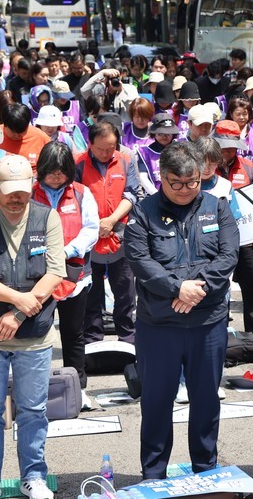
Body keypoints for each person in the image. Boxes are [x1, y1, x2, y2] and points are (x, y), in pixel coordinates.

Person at [125, 142, 238, 478]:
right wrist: (177, 289)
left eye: (193, 183)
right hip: (159, 325)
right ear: (162, 178)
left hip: (208, 323)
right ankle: (154, 474)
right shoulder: (142, 212)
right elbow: (140, 261)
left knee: (206, 401)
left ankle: (205, 470)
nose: (187, 190)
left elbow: (227, 256)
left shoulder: (216, 206)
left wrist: (195, 289)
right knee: (157, 403)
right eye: (178, 184)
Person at [0, 154, 65, 499]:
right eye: (9, 193)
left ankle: (33, 476)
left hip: (34, 335)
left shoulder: (47, 217)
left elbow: (54, 272)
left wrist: (20, 312)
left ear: (32, 186)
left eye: (22, 191)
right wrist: (16, 299)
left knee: (33, 410)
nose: (17, 199)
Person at [32, 141, 99, 411]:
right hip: (37, 276)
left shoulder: (82, 193)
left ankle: (77, 388)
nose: (56, 176)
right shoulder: (28, 193)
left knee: (74, 333)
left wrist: (67, 250)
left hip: (74, 274)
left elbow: (91, 229)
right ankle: (35, 389)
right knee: (38, 334)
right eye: (51, 171)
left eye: (61, 171)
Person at [77, 121, 141, 345]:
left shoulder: (126, 159)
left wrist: (112, 220)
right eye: (101, 148)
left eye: (111, 148)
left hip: (121, 232)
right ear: (90, 144)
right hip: (88, 235)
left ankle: (128, 338)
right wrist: (96, 225)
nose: (106, 153)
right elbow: (74, 197)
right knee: (90, 291)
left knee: (124, 289)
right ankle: (93, 338)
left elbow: (133, 194)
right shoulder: (78, 163)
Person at [215, 121, 253, 333]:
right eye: (223, 146)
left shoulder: (249, 167)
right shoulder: (205, 168)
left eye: (232, 146)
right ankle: (218, 334)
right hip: (215, 241)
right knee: (216, 289)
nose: (227, 151)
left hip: (248, 239)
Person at [0, 103, 51, 170]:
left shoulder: (42, 138)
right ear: (5, 125)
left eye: (22, 132)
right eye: (13, 132)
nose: (17, 136)